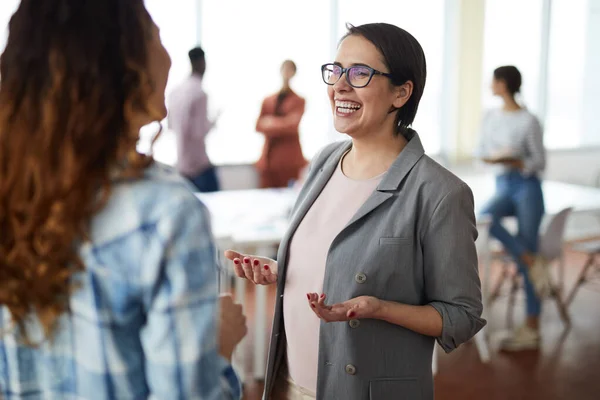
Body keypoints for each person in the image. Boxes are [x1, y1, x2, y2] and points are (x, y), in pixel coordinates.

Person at [226, 23, 485, 399]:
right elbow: (341, 263)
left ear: (401, 92)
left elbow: (461, 315)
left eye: (360, 73)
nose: (340, 86)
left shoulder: (439, 192)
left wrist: (379, 308)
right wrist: (286, 274)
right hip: (286, 382)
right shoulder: (325, 161)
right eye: (336, 70)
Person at [0, 1, 246, 398]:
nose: (166, 54)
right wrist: (218, 347)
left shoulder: (12, 189)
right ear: (121, 63)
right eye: (155, 35)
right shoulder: (165, 213)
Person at [476, 65, 547, 351]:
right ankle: (529, 258)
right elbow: (479, 154)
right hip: (503, 184)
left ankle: (532, 326)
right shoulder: (490, 117)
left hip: (527, 186)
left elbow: (539, 162)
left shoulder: (529, 120)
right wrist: (494, 160)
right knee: (484, 217)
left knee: (528, 247)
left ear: (503, 84)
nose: (490, 84)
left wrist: (517, 161)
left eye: (493, 80)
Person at [169, 45, 221, 192]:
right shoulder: (199, 93)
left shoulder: (175, 92)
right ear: (201, 63)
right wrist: (214, 121)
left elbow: (171, 126)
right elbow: (199, 132)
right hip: (199, 167)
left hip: (181, 165)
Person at [255, 60, 307, 188]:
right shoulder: (268, 100)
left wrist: (270, 122)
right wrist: (283, 123)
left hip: (289, 161)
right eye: (285, 69)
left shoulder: (299, 100)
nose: (286, 73)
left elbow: (292, 126)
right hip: (268, 161)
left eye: (290, 69)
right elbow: (258, 126)